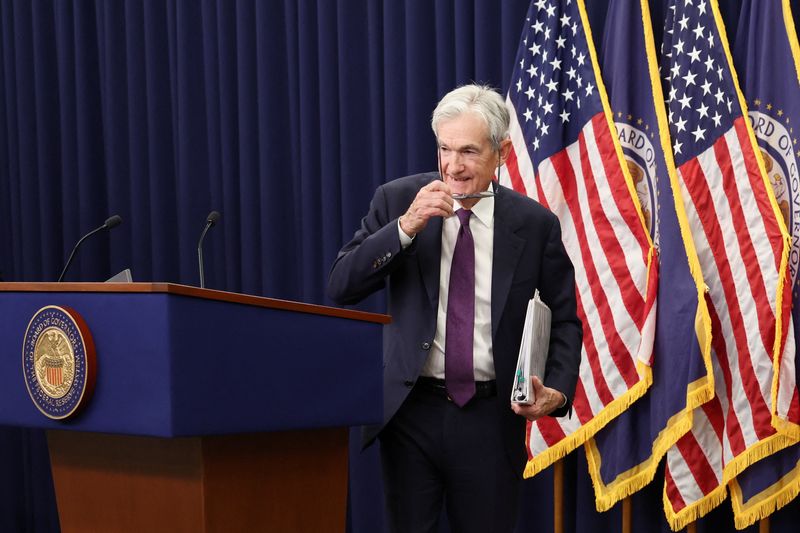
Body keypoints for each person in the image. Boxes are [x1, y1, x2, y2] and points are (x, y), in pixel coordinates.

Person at [328, 84, 582, 533]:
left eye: (468, 151)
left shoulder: (535, 223)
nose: (453, 166)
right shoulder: (398, 200)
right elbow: (342, 285)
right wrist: (405, 228)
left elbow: (564, 320)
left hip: (489, 419)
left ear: (501, 151)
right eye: (445, 149)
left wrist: (557, 392)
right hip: (411, 413)